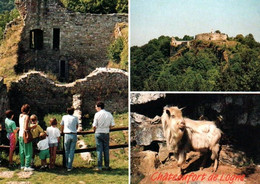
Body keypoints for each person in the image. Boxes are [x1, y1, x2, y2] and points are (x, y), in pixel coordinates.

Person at [93, 102, 115, 171]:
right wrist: (108, 128)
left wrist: (94, 130)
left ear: (99, 107)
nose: (95, 108)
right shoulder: (109, 114)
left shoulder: (97, 114)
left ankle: (99, 166)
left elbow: (94, 125)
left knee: (99, 150)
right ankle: (106, 165)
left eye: (96, 107)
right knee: (106, 149)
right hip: (106, 132)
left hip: (98, 132)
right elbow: (112, 125)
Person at [18, 104, 36, 171]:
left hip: (20, 134)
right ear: (28, 110)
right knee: (28, 151)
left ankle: (22, 165)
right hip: (25, 135)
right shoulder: (27, 116)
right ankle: (27, 166)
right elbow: (26, 127)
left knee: (22, 151)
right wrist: (32, 127)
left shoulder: (20, 115)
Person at [61, 107, 79, 172]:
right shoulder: (75, 118)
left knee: (66, 150)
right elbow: (77, 126)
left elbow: (62, 125)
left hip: (66, 134)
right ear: (73, 112)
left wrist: (62, 131)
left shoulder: (64, 117)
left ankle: (66, 164)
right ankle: (69, 166)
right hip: (73, 134)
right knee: (72, 151)